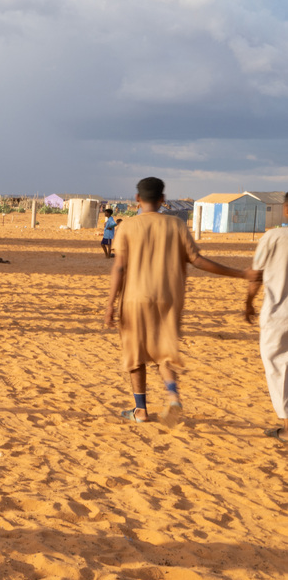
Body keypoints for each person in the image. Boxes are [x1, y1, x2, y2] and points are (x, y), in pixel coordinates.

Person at [105, 176, 257, 423]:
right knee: (164, 352)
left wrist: (110, 303)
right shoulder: (177, 225)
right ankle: (173, 398)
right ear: (163, 200)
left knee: (135, 354)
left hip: (134, 299)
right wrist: (240, 273)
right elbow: (198, 260)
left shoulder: (127, 227)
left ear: (137, 199)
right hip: (168, 300)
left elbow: (120, 268)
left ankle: (141, 410)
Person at [246, 193, 288, 440]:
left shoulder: (273, 237)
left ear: (285, 210)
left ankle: (286, 426)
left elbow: (256, 275)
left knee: (276, 367)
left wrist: (248, 303)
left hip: (277, 315)